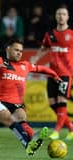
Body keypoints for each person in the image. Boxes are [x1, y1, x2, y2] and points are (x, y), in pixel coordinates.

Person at [31, 6, 73, 140]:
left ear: (68, 17)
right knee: (51, 103)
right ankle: (71, 127)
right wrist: (36, 58)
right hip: (52, 73)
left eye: (63, 14)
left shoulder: (71, 34)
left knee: (61, 100)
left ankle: (57, 130)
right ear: (56, 16)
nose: (61, 16)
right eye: (59, 14)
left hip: (66, 73)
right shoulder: (50, 34)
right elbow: (44, 48)